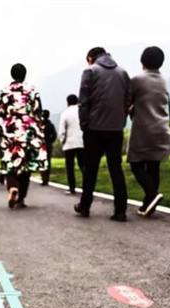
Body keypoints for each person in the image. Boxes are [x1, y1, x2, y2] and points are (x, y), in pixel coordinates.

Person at [74, 47, 130, 221]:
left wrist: (84, 125)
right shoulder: (123, 73)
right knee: (116, 169)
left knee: (90, 169)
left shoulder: (90, 71)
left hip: (94, 129)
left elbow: (83, 102)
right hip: (116, 129)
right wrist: (121, 121)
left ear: (91, 58)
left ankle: (85, 206)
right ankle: (120, 210)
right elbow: (127, 101)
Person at [0, 63, 47, 209]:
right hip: (27, 130)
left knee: (10, 163)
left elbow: (0, 113)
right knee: (26, 164)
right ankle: (21, 198)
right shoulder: (31, 90)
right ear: (24, 75)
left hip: (10, 130)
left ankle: (12, 187)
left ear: (12, 75)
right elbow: (38, 112)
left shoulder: (5, 91)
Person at [128, 46, 170, 217]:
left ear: (142, 61)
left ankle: (152, 194)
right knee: (154, 166)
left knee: (135, 164)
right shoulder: (163, 80)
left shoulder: (137, 80)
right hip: (162, 129)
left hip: (143, 129)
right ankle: (147, 205)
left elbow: (127, 101)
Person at [59, 94, 84, 195]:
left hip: (69, 144)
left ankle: (72, 188)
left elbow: (62, 130)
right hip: (82, 142)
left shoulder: (65, 113)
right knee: (83, 166)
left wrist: (62, 141)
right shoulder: (82, 111)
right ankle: (87, 187)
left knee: (70, 167)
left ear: (67, 102)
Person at [40, 110, 58, 185]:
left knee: (42, 161)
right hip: (48, 144)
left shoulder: (40, 124)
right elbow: (54, 135)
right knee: (47, 161)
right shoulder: (50, 125)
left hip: (42, 145)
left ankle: (44, 178)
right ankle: (46, 178)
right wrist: (50, 141)